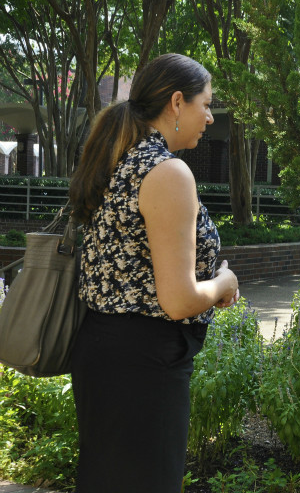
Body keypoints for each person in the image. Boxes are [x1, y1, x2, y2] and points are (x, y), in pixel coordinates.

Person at [68, 54, 240, 493]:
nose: (209, 116)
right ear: (177, 102)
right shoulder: (167, 172)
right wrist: (223, 283)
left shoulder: (117, 159)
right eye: (206, 103)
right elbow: (178, 300)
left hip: (104, 351)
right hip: (145, 362)